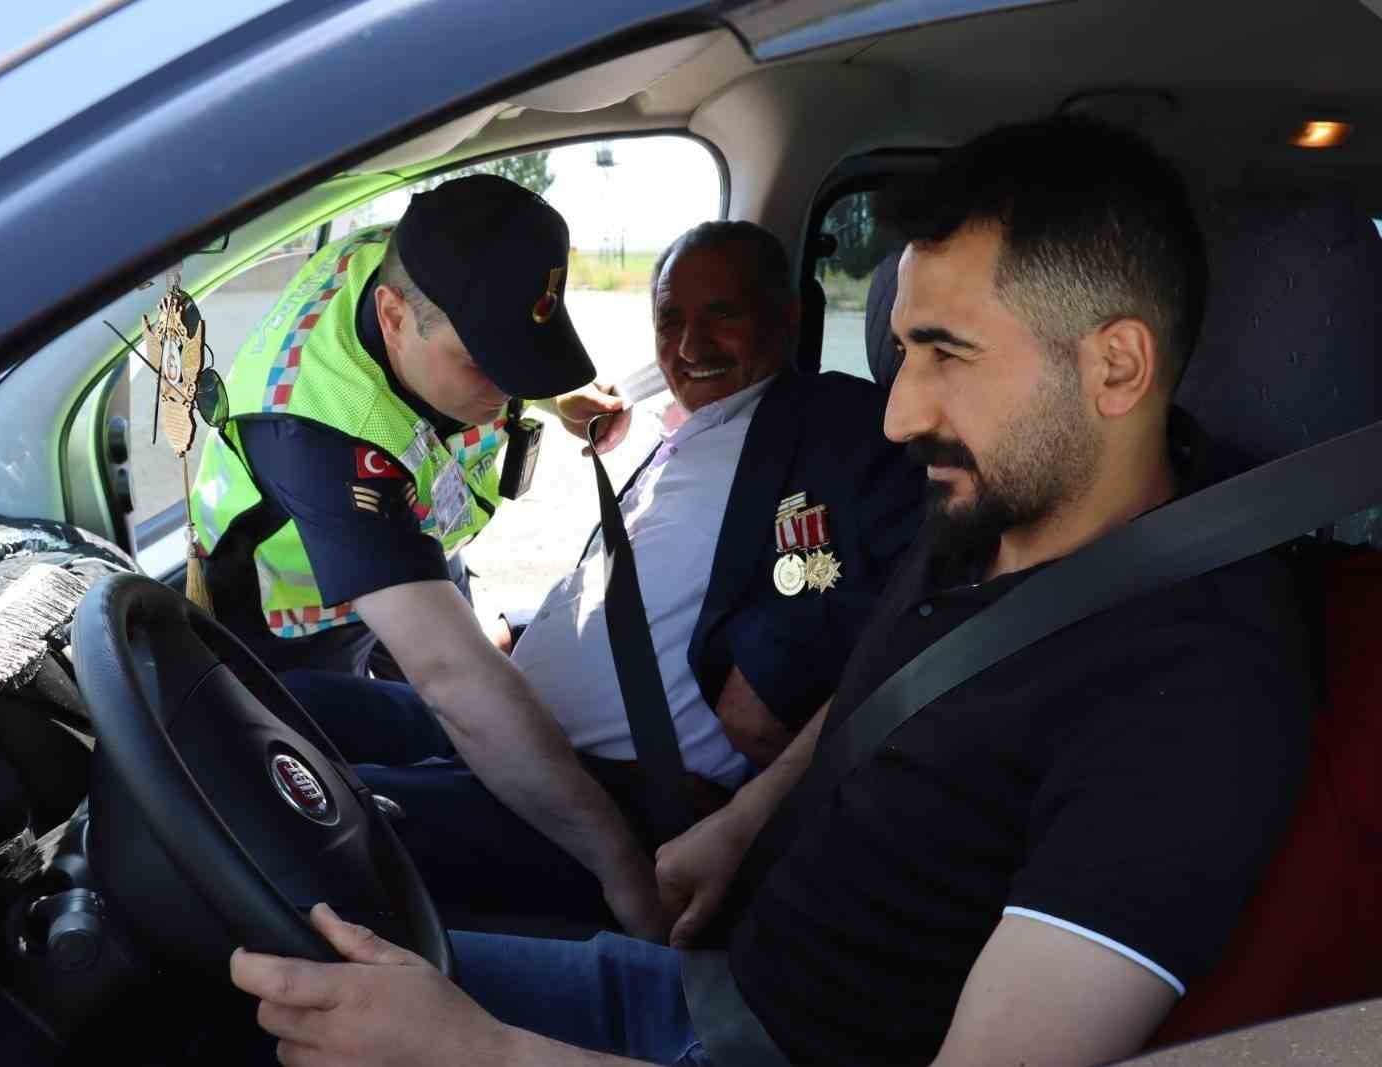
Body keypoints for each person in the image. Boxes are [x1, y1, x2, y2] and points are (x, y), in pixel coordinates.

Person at [229, 115, 1316, 1067]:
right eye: (899, 349)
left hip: (756, 1040)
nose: (897, 414)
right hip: (717, 972)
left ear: (1116, 366)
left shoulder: (1197, 696)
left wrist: (485, 1053)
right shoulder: (995, 515)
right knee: (237, 980)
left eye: (945, 353)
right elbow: (879, 683)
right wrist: (746, 823)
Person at [325, 221, 921, 922]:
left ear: (786, 317)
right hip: (508, 732)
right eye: (670, 319)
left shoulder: (839, 429)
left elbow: (886, 608)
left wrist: (769, 673)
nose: (690, 346)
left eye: (720, 315)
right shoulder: (687, 433)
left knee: (309, 820)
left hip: (607, 799)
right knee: (290, 705)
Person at [188, 174, 662, 938]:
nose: (507, 387)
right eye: (491, 364)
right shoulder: (317, 433)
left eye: (523, 355)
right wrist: (621, 864)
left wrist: (548, 390)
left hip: (403, 535)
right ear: (393, 317)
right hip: (289, 631)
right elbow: (450, 677)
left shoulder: (416, 264)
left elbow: (482, 324)